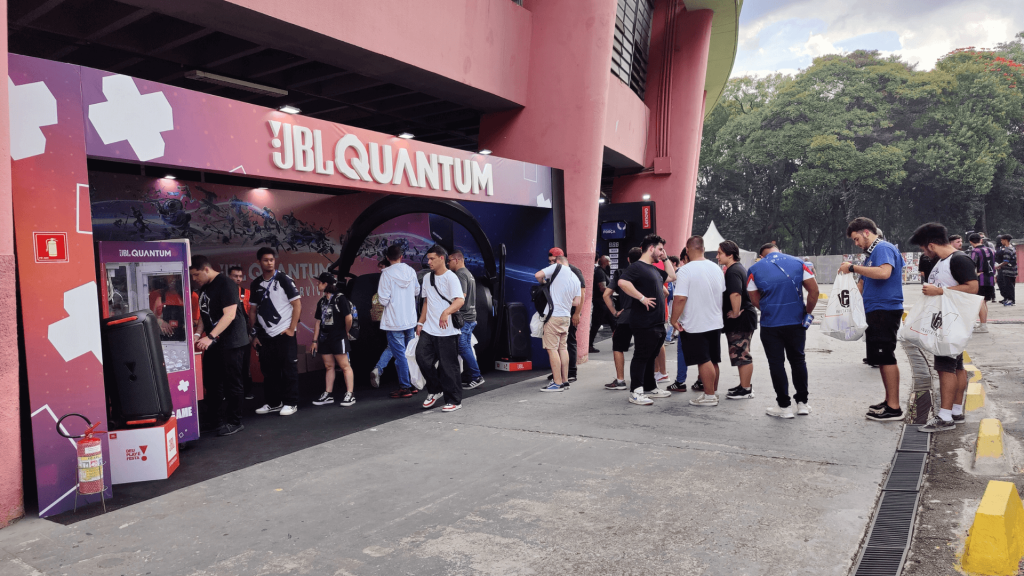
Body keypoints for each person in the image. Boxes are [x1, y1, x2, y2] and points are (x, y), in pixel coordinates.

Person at [910, 223, 979, 432]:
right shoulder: (944, 260)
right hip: (947, 322)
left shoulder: (958, 259)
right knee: (955, 366)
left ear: (931, 245)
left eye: (923, 248)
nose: (924, 252)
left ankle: (945, 416)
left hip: (951, 323)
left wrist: (938, 291)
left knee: (944, 367)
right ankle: (955, 411)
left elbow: (973, 287)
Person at [839, 217, 906, 422]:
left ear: (866, 232)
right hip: (876, 308)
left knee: (886, 356)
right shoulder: (872, 253)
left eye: (857, 239)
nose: (856, 244)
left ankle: (894, 407)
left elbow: (884, 273)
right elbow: (865, 281)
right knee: (882, 357)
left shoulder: (882, 248)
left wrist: (852, 268)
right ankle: (889, 401)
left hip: (884, 309)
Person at [747, 244, 818, 418]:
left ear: (762, 256)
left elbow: (755, 299)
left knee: (776, 363)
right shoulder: (799, 263)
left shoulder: (754, 269)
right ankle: (802, 403)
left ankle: (784, 407)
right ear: (779, 250)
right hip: (796, 322)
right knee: (798, 360)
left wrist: (770, 309)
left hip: (771, 324)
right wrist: (807, 312)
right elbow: (814, 291)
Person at [190, 255, 250, 436]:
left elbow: (230, 315)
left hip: (232, 342)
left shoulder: (226, 284)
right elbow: (203, 314)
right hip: (213, 342)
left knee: (233, 382)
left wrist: (210, 336)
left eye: (196, 275)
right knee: (212, 381)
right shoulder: (205, 287)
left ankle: (235, 421)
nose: (194, 279)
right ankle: (215, 420)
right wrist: (197, 334)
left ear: (206, 269)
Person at [615, 234, 674, 406]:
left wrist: (666, 257)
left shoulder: (654, 269)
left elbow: (672, 276)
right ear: (651, 248)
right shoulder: (637, 267)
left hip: (657, 322)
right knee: (641, 356)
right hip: (643, 321)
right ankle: (636, 391)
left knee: (651, 355)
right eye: (660, 249)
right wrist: (642, 298)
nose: (662, 252)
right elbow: (622, 283)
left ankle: (649, 386)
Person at [669, 235, 726, 407]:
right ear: (703, 248)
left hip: (695, 323)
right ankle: (712, 393)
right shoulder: (716, 268)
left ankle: (709, 396)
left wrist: (673, 320)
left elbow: (679, 299)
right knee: (713, 359)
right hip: (714, 320)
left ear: (687, 250)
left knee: (703, 359)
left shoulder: (685, 270)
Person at [249, 247, 301, 417]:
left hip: (284, 333)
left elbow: (297, 305)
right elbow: (252, 311)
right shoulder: (255, 284)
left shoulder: (284, 279)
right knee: (269, 372)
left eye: (272, 259)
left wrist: (292, 329)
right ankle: (273, 403)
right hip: (265, 335)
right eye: (266, 260)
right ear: (259, 262)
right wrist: (254, 335)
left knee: (288, 369)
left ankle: (290, 402)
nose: (269, 263)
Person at [416, 245, 465, 413]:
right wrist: (420, 322)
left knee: (448, 366)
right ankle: (435, 389)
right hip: (429, 328)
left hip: (448, 330)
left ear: (441, 258)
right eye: (428, 259)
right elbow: (426, 302)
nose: (428, 262)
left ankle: (454, 400)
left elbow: (459, 300)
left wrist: (446, 312)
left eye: (432, 259)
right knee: (421, 357)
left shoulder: (451, 278)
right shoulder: (428, 278)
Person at [374, 244, 421, 398]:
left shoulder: (386, 274)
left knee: (400, 354)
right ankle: (413, 384)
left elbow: (383, 299)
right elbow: (416, 291)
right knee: (409, 353)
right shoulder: (411, 271)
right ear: (402, 256)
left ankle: (405, 387)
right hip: (410, 319)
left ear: (387, 258)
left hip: (394, 320)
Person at [535, 255, 583, 391]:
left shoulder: (558, 267)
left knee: (552, 349)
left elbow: (538, 275)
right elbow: (576, 302)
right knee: (563, 348)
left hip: (553, 316)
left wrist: (543, 282)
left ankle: (557, 383)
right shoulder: (575, 278)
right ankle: (565, 380)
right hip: (566, 317)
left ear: (558, 262)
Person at [717, 240, 758, 400]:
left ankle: (746, 389)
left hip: (741, 319)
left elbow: (735, 293)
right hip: (745, 317)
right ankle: (743, 385)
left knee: (742, 354)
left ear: (730, 254)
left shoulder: (733, 271)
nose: (717, 256)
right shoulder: (737, 268)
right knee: (739, 354)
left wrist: (734, 312)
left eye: (720, 253)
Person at [311, 273, 355, 407]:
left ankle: (350, 394)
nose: (318, 285)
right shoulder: (322, 301)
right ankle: (328, 394)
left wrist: (345, 332)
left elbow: (349, 318)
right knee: (328, 366)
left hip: (338, 336)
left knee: (344, 366)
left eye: (319, 282)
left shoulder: (340, 298)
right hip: (325, 337)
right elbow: (318, 322)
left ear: (326, 284)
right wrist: (314, 341)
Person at [603, 247, 642, 391]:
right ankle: (650, 378)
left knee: (618, 347)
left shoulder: (620, 273)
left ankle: (620, 380)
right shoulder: (649, 272)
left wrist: (614, 312)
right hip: (643, 317)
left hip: (625, 316)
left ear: (628, 259)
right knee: (644, 349)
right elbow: (663, 292)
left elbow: (606, 295)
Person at [448, 251, 485, 389]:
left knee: (463, 347)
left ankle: (476, 376)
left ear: (456, 260)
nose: (448, 263)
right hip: (470, 317)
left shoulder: (460, 274)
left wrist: (448, 310)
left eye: (449, 260)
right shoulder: (468, 274)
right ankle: (471, 375)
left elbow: (461, 296)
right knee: (466, 347)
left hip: (464, 318)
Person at [227, 266, 255, 400]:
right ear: (229, 276)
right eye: (234, 276)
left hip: (244, 334)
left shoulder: (247, 293)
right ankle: (229, 392)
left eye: (240, 276)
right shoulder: (224, 292)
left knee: (245, 364)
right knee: (229, 365)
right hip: (227, 335)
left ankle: (247, 391)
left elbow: (251, 315)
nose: (238, 279)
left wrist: (251, 334)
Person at [968, 233, 996, 333]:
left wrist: (974, 274)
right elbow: (993, 265)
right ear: (981, 240)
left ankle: (983, 326)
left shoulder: (975, 251)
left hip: (981, 279)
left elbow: (971, 265)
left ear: (970, 241)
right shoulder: (991, 250)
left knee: (980, 302)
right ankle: (982, 324)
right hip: (990, 278)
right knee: (984, 302)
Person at [588, 255, 612, 353]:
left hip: (605, 302)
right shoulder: (599, 272)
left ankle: (621, 343)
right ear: (605, 262)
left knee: (614, 322)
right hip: (601, 303)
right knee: (596, 324)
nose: (610, 264)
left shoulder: (602, 272)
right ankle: (589, 345)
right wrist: (612, 290)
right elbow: (602, 288)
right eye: (609, 262)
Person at [995, 234, 1017, 306]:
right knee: (1010, 285)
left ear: (1005, 240)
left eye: (1002, 240)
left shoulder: (1007, 250)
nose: (1001, 241)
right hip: (1013, 270)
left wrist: (998, 265)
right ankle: (1010, 299)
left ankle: (1011, 300)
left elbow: (1006, 261)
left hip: (1008, 271)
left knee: (1008, 286)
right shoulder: (1012, 247)